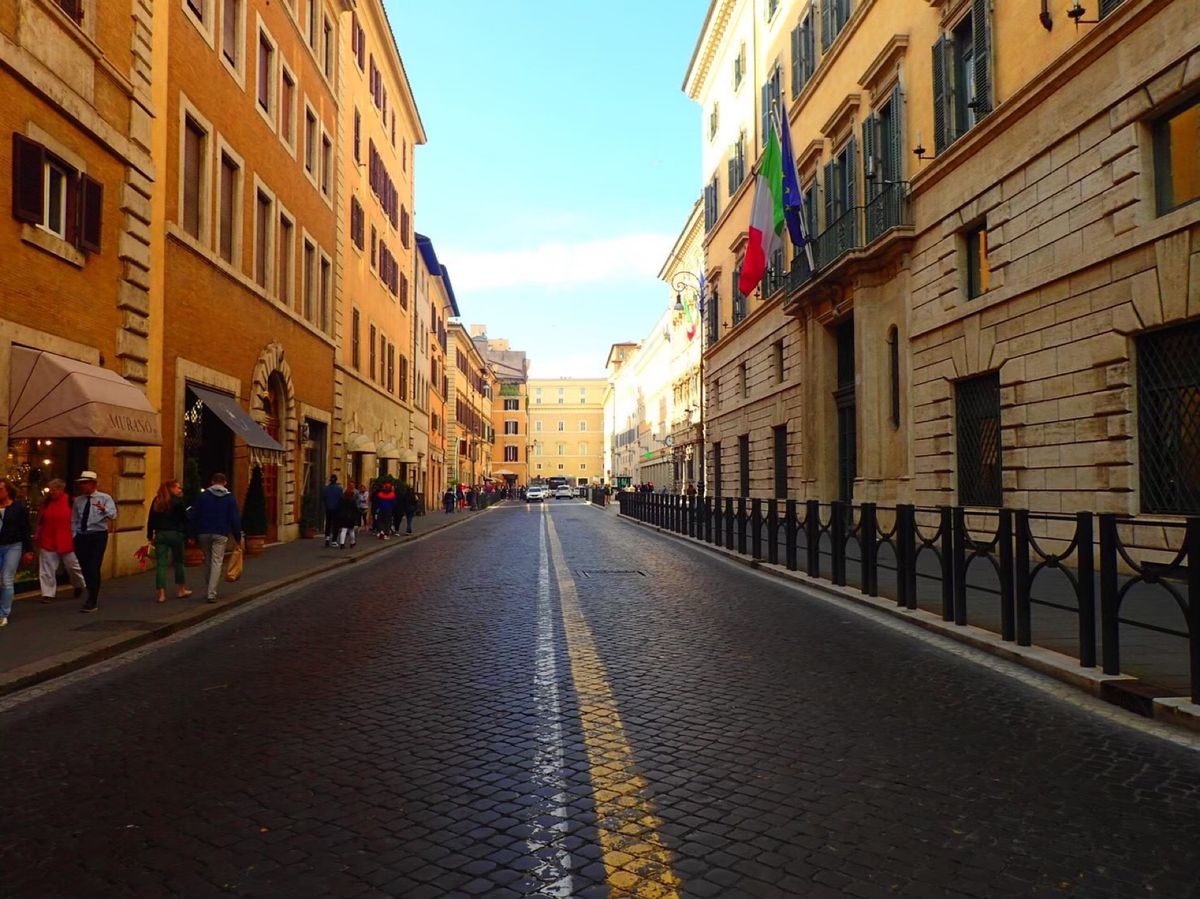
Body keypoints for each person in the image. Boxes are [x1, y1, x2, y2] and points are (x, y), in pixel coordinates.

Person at [189, 472, 242, 603]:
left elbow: (194, 515)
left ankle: (209, 585)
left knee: (208, 560)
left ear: (212, 482)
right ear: (225, 483)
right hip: (220, 533)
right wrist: (237, 537)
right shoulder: (230, 498)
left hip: (203, 532)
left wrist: (191, 534)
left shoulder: (203, 496)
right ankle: (211, 593)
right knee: (217, 562)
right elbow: (235, 519)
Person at [33, 479, 85, 604]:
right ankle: (48, 593)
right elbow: (41, 519)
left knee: (73, 567)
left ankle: (78, 584)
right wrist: (37, 533)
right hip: (48, 538)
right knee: (47, 568)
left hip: (67, 539)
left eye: (54, 489)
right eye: (50, 489)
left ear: (61, 489)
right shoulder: (46, 502)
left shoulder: (71, 501)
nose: (51, 492)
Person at [71, 471, 117, 613]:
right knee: (85, 567)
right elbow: (74, 519)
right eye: (82, 483)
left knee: (93, 566)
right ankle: (90, 591)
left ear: (93, 484)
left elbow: (113, 515)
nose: (83, 486)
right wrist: (74, 534)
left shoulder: (105, 498)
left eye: (85, 483)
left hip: (97, 535)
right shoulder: (78, 501)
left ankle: (92, 598)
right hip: (82, 536)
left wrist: (104, 510)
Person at [146, 479, 192, 603]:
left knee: (161, 564)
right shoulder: (178, 502)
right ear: (171, 488)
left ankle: (161, 594)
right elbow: (185, 519)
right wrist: (189, 535)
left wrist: (150, 535)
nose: (180, 489)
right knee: (179, 562)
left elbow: (151, 519)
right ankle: (181, 589)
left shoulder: (157, 501)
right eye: (177, 487)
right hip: (175, 534)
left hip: (160, 534)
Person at [0, 478, 34, 628]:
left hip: (13, 546)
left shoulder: (18, 508)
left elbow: (25, 529)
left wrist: (29, 550)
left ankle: (3, 614)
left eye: (0, 489)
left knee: (6, 579)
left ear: (8, 490)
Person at [321, 474, 343, 546]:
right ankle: (334, 540)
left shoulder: (325, 488)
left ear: (330, 480)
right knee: (335, 524)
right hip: (336, 509)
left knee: (328, 523)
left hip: (328, 508)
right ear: (336, 480)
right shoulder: (339, 489)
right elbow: (341, 499)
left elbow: (323, 498)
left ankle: (327, 538)